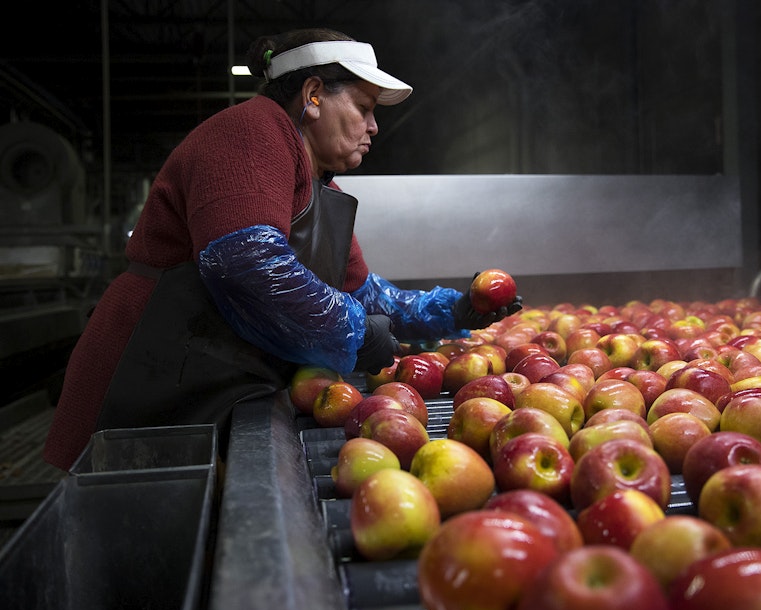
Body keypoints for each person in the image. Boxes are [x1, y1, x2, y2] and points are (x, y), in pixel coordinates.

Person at [43, 27, 521, 471]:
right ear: (313, 96)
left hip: (201, 375)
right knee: (124, 526)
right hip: (148, 371)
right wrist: (355, 334)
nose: (374, 126)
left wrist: (457, 309)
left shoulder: (319, 191)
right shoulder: (251, 132)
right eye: (364, 107)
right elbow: (246, 264)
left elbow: (365, 294)